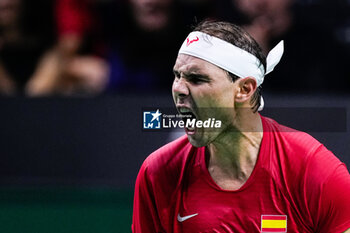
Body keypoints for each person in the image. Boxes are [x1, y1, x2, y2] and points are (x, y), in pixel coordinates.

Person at [132, 20, 350, 232]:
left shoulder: (313, 169)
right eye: (177, 76)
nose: (178, 88)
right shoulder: (157, 173)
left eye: (197, 79)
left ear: (245, 89)